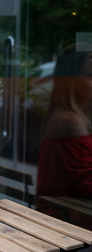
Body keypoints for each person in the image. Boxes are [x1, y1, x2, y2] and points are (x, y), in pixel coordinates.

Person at [37, 44, 92, 198]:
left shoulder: (73, 115)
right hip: (66, 216)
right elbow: (87, 185)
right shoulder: (70, 121)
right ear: (70, 81)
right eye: (90, 75)